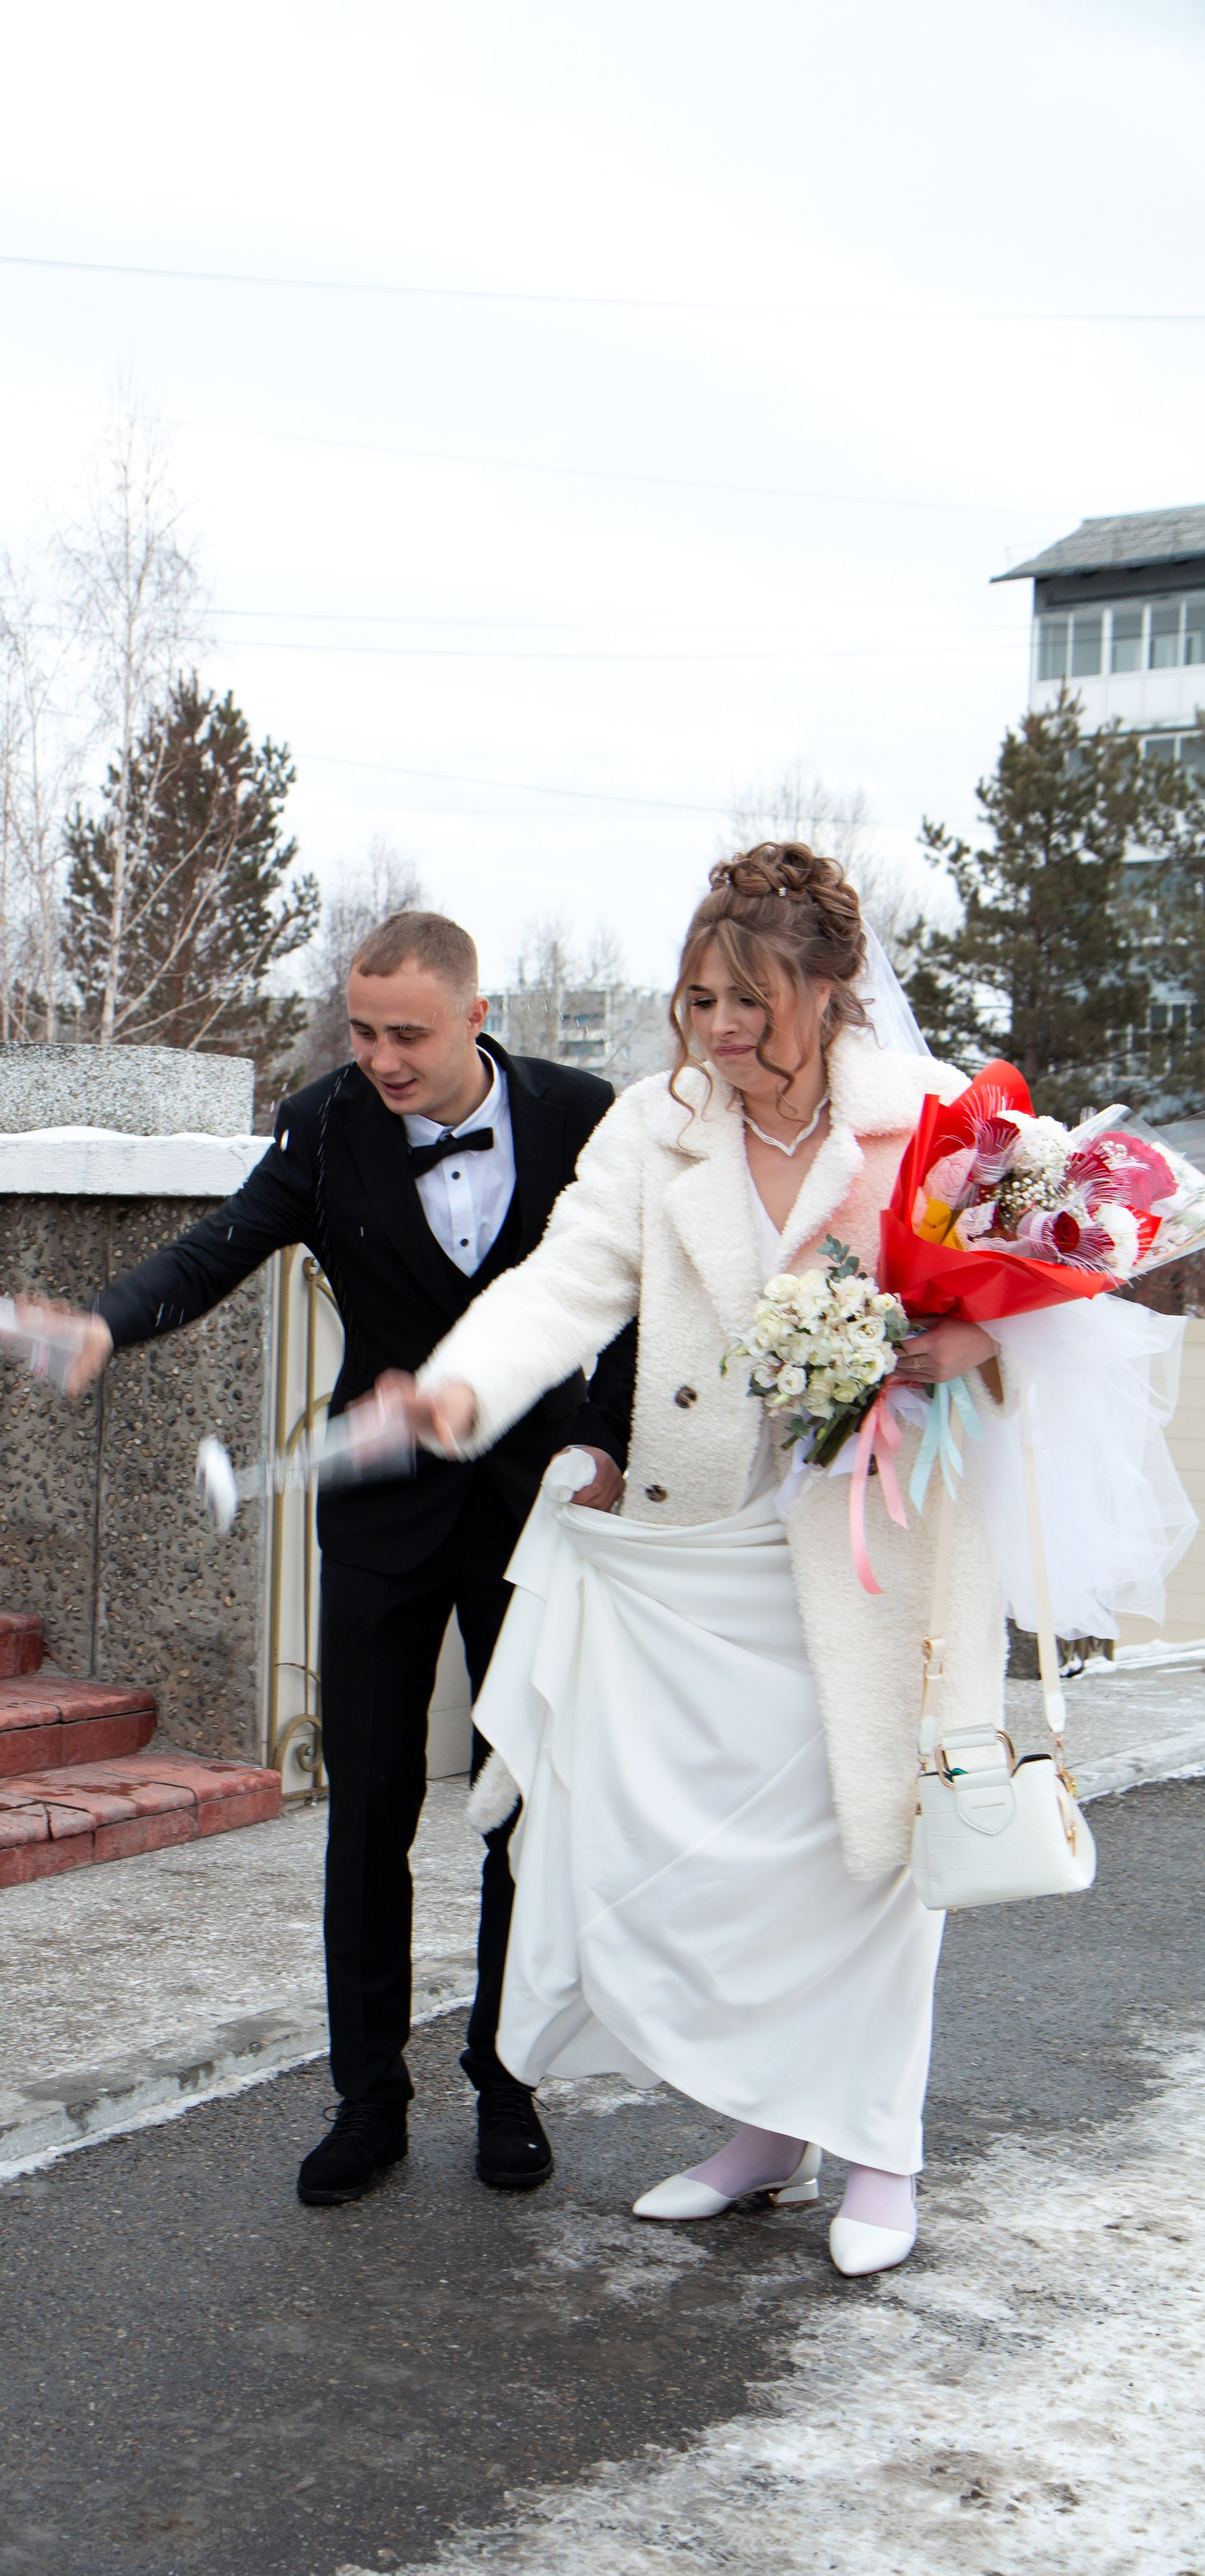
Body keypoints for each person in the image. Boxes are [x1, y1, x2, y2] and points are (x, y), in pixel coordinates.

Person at [399, 845, 1006, 2278]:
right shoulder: (651, 1127)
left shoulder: (923, 1121)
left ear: (832, 992)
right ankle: (761, 2134)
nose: (721, 1033)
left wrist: (959, 1342)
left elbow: (1052, 1289)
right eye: (697, 1002)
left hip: (875, 1549)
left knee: (868, 1855)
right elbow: (563, 1277)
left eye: (751, 1002)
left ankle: (881, 2157)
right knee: (731, 1870)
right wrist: (463, 1383)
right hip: (703, 1551)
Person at [32, 912, 636, 2204]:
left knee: (519, 1800)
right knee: (368, 1813)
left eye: (407, 1032)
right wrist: (104, 1325)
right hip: (378, 1518)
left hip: (543, 1518)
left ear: (479, 1013)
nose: (381, 1057)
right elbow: (222, 1247)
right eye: (361, 1030)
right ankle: (368, 2099)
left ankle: (507, 2076)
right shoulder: (325, 1119)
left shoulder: (588, 1115)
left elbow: (645, 1289)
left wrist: (606, 1436)